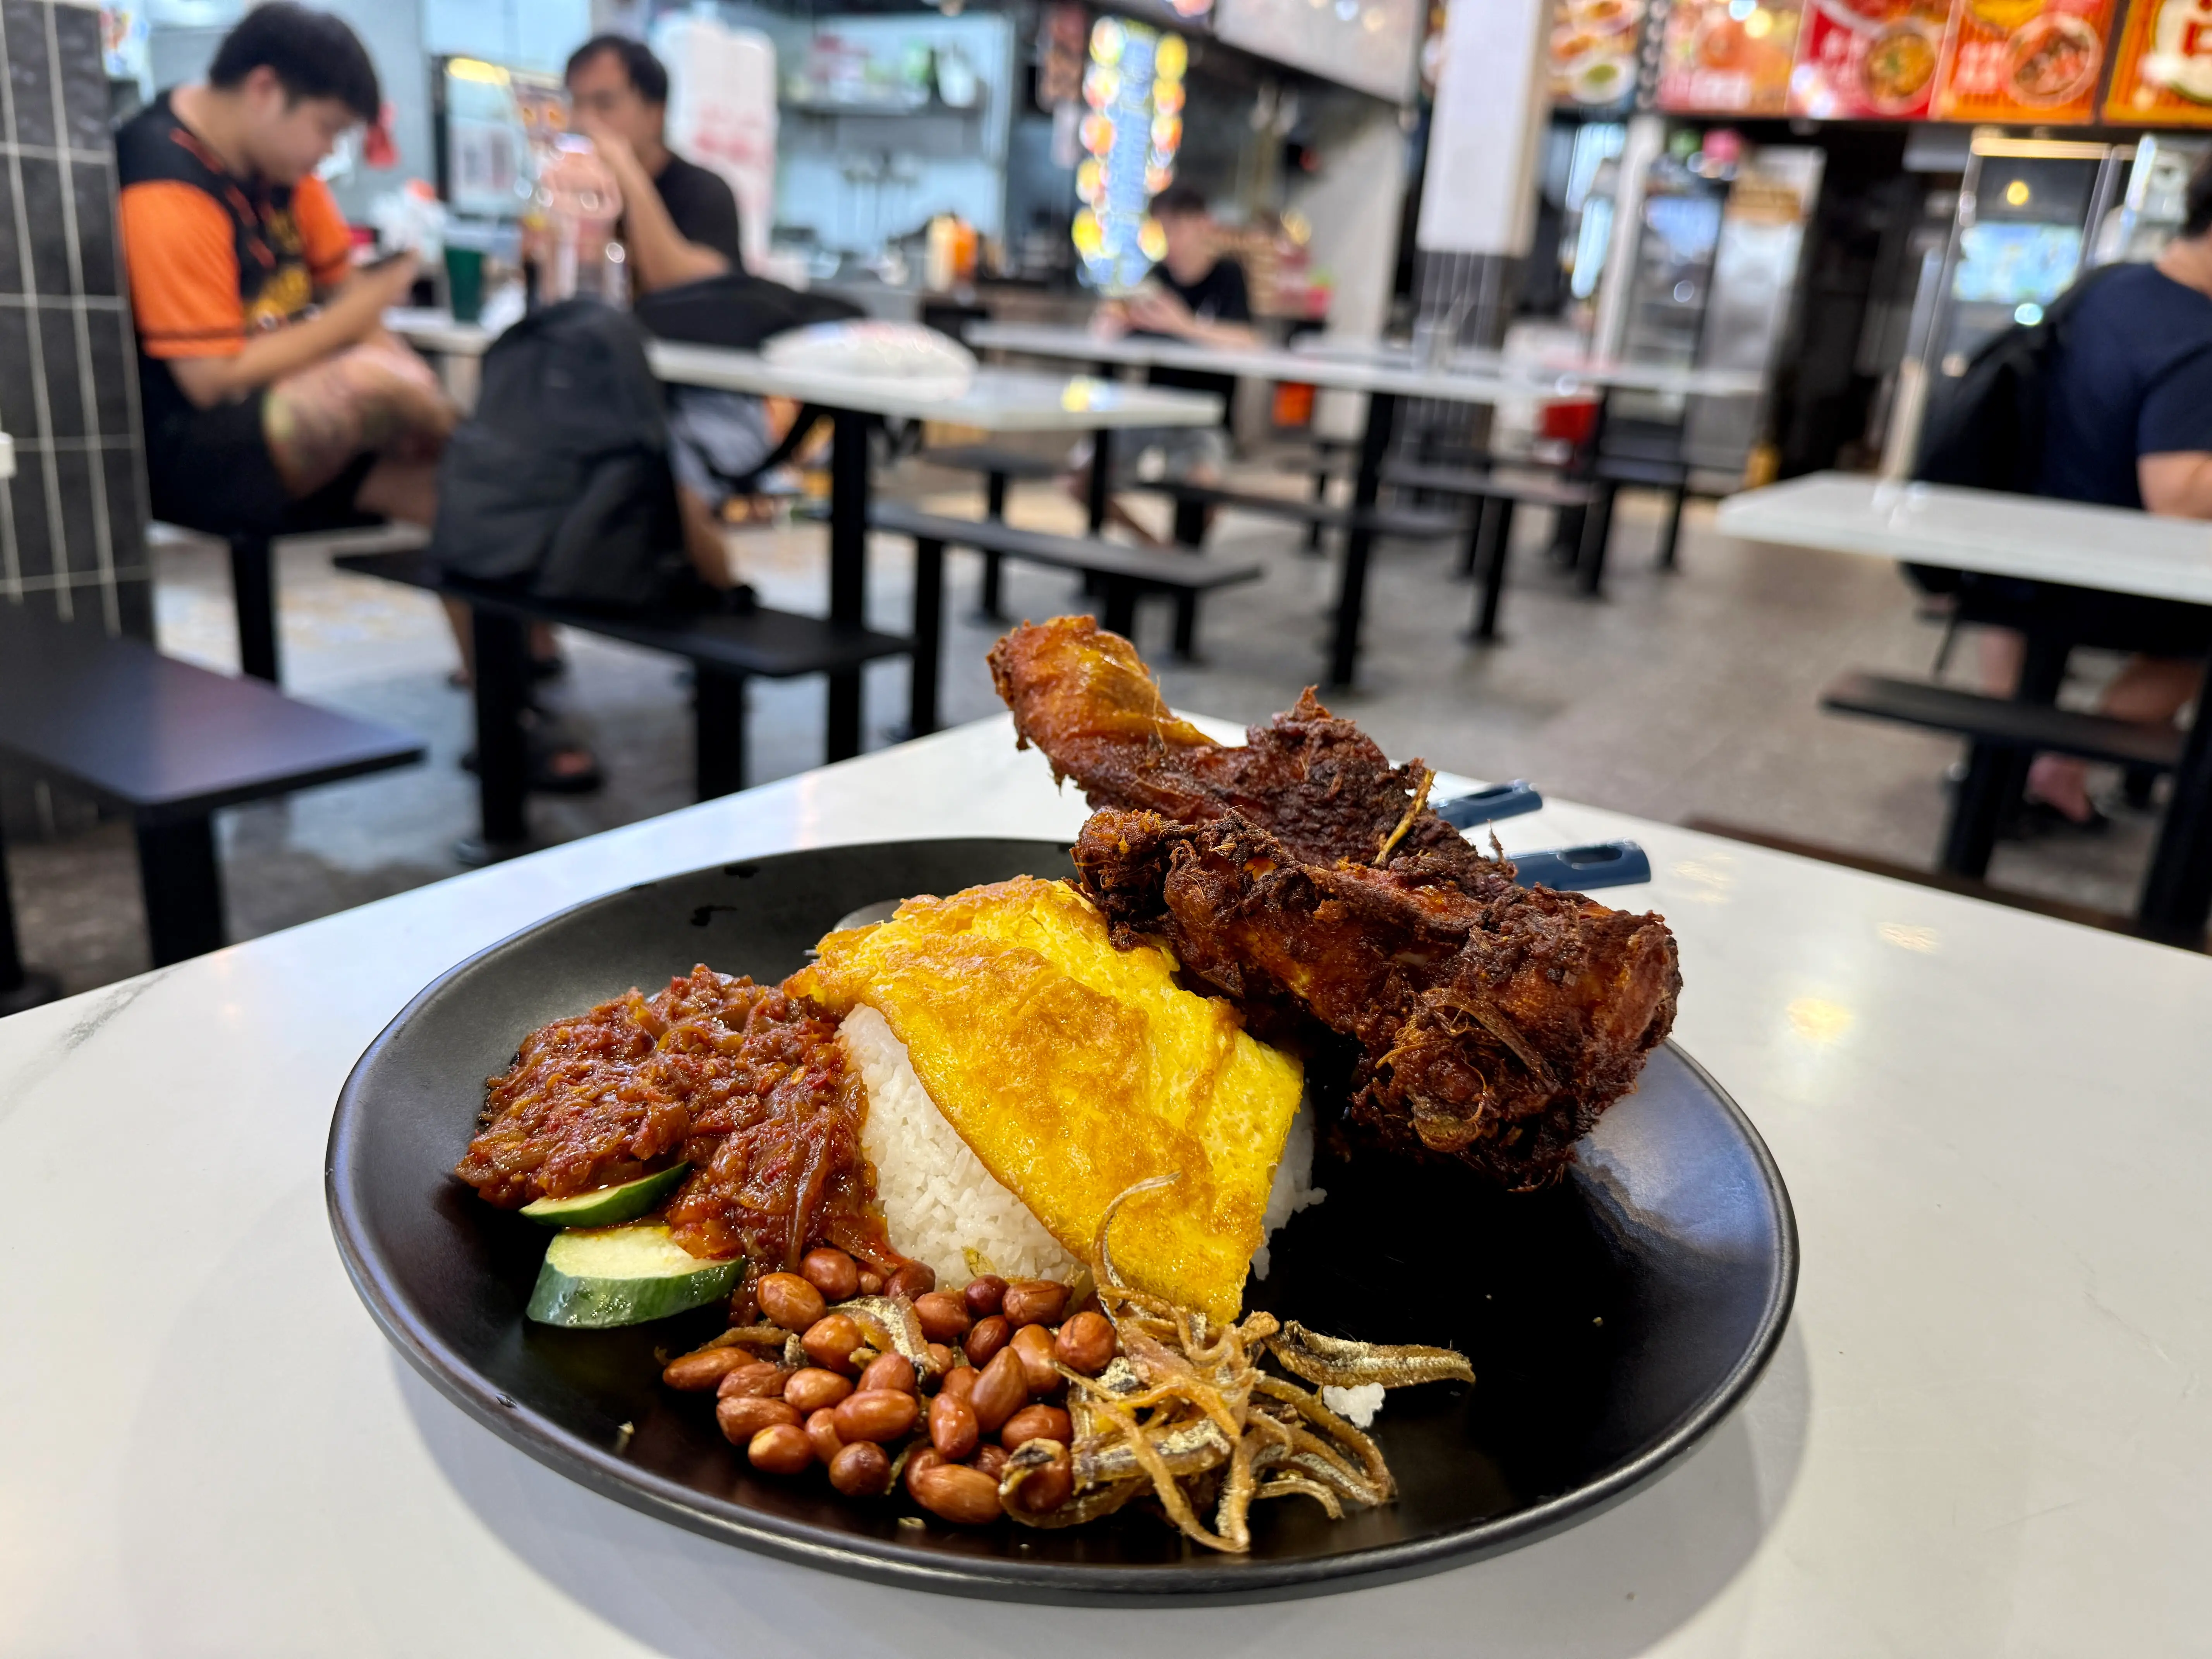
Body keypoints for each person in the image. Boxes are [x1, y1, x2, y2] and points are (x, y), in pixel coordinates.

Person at [115, 3, 451, 545]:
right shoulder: (165, 180)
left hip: (276, 417)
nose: (328, 152)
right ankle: (496, 455)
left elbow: (349, 297)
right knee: (371, 384)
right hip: (185, 445)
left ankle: (496, 493)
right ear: (265, 89)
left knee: (462, 501)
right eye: (327, 128)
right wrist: (358, 330)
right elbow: (209, 380)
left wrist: (408, 372)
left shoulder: (287, 172)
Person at [1980, 160, 2212, 828]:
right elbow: (2177, 496)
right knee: (2198, 639)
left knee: (2010, 600)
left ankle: (2007, 755)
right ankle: (2058, 764)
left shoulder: (2107, 287)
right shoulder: (2197, 336)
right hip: (2107, 576)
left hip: (2015, 554)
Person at [562, 34, 764, 588]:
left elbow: (675, 282)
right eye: (576, 104)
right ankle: (531, 645)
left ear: (655, 111)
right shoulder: (576, 195)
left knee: (665, 477)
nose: (586, 121)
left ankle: (723, 609)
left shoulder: (703, 191)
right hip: (617, 388)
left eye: (605, 103)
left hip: (710, 395)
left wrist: (627, 175)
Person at [1072, 183, 1259, 546]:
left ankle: (1179, 562)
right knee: (1077, 479)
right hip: (1147, 412)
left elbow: (1249, 341)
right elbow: (1105, 331)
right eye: (1163, 229)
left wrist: (1182, 324)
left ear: (1204, 225)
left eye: (1177, 228)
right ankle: (1155, 550)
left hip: (1205, 419)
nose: (1170, 239)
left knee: (1204, 491)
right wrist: (1115, 320)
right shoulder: (1157, 279)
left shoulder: (1228, 276)